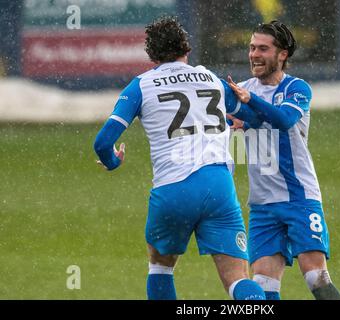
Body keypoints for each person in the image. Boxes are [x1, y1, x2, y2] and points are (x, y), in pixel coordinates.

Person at [93, 17, 265, 300]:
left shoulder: (141, 86)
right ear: (186, 48)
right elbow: (253, 115)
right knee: (237, 279)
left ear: (151, 54)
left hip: (174, 187)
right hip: (218, 184)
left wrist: (113, 161)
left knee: (161, 267)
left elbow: (102, 142)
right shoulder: (213, 80)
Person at [226, 20, 340, 300]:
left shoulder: (297, 89)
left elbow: (284, 119)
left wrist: (250, 102)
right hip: (263, 205)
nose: (254, 54)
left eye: (263, 49)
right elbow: (226, 141)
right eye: (252, 47)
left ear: (282, 55)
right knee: (263, 285)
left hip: (299, 198)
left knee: (316, 276)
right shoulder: (240, 90)